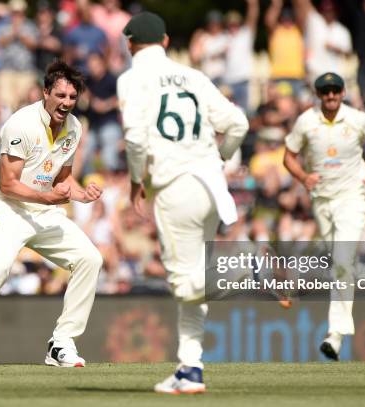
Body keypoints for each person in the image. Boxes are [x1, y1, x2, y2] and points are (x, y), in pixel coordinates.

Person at [0, 61, 104, 368]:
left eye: (72, 97)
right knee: (0, 264)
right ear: (46, 93)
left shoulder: (74, 128)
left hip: (43, 209)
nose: (66, 102)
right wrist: (49, 197)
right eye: (60, 95)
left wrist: (82, 194)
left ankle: (62, 343)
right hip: (7, 205)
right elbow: (8, 184)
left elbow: (63, 180)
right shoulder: (21, 124)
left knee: (90, 259)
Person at [117, 12, 249, 393]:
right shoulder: (193, 75)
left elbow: (137, 140)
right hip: (211, 188)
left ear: (129, 44)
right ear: (166, 40)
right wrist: (221, 157)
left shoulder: (131, 78)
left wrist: (136, 181)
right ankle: (190, 368)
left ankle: (245, 267)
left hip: (175, 186)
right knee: (194, 279)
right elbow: (238, 123)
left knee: (184, 284)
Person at [283, 72, 365, 361]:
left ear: (343, 92)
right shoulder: (306, 122)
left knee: (341, 262)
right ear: (319, 95)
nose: (330, 96)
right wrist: (303, 176)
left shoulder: (359, 120)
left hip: (352, 198)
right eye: (325, 92)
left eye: (335, 91)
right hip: (322, 201)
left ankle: (335, 334)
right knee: (343, 265)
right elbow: (288, 156)